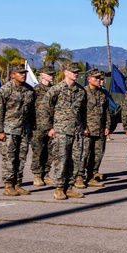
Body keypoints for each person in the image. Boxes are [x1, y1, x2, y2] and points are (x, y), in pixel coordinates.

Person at [44, 63, 88, 200]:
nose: (76, 74)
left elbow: (84, 111)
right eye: (73, 71)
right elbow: (44, 109)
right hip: (61, 130)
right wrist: (49, 128)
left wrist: (84, 127)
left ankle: (69, 187)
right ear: (65, 72)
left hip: (77, 131)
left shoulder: (81, 91)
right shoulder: (56, 89)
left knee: (75, 161)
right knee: (61, 160)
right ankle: (58, 188)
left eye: (77, 72)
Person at [0, 64, 35, 196]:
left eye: (24, 73)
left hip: (24, 130)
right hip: (8, 130)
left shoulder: (29, 90)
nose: (23, 75)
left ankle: (17, 184)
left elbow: (31, 112)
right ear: (12, 75)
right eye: (20, 72)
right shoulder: (5, 90)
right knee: (9, 159)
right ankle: (8, 185)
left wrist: (32, 128)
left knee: (21, 159)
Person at [80, 68, 110, 188]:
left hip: (100, 129)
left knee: (97, 155)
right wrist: (83, 127)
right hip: (87, 130)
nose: (99, 80)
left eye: (100, 78)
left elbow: (106, 112)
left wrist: (107, 126)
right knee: (84, 155)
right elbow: (79, 112)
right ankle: (78, 177)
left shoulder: (102, 94)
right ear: (89, 79)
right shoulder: (83, 93)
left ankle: (91, 176)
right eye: (96, 78)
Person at [30, 68, 54, 186]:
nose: (51, 76)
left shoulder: (54, 90)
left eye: (52, 74)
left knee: (50, 152)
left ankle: (46, 174)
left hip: (52, 126)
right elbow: (30, 109)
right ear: (42, 75)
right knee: (38, 152)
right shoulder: (35, 91)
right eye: (49, 74)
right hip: (38, 126)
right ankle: (37, 175)